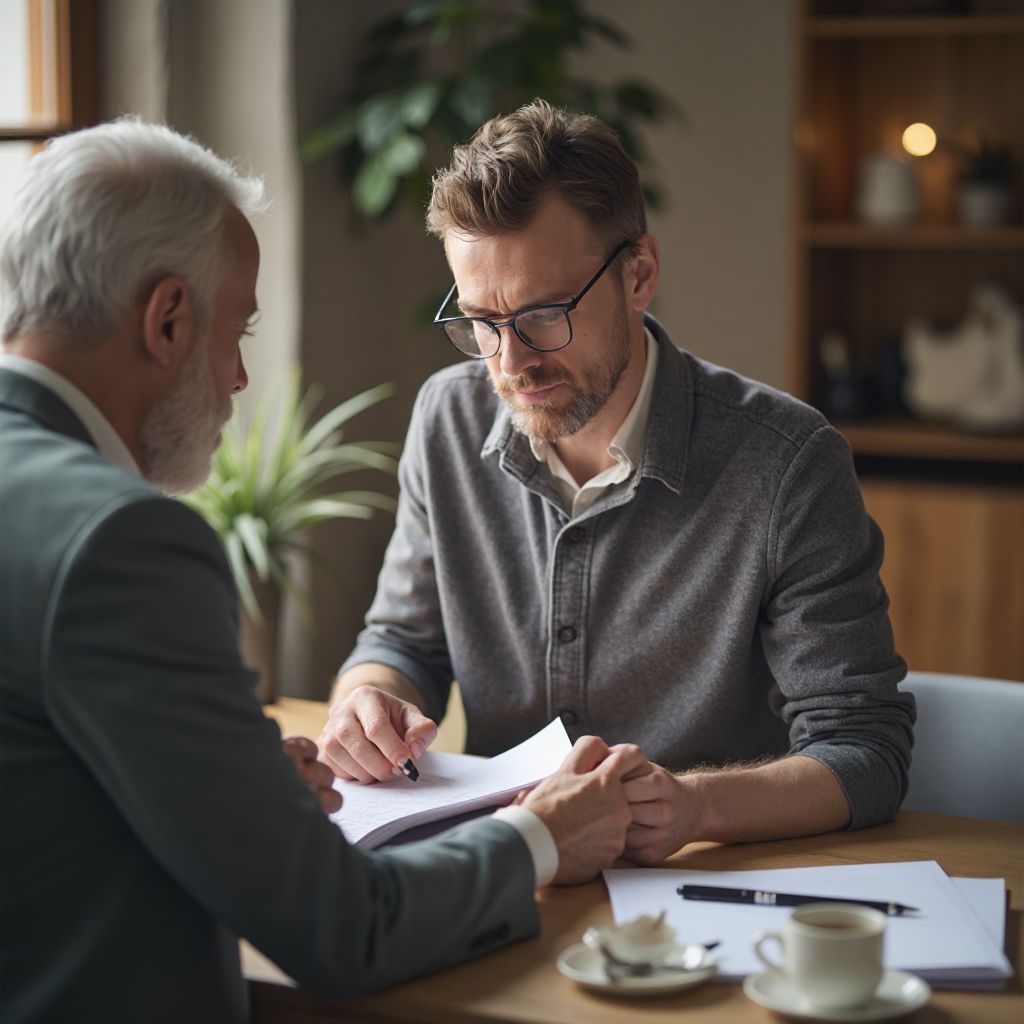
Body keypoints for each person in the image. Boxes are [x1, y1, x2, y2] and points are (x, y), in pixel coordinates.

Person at [0, 119, 648, 1024]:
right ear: (168, 318)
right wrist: (541, 835)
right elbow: (344, 929)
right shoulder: (121, 543)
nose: (235, 380)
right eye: (239, 331)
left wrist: (214, 781)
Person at [320, 100, 916, 864]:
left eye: (543, 315)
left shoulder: (788, 464)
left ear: (639, 276)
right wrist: (369, 700)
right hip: (511, 877)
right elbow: (402, 639)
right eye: (480, 321)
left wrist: (694, 805)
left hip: (701, 892)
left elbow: (864, 752)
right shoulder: (446, 418)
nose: (510, 363)